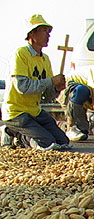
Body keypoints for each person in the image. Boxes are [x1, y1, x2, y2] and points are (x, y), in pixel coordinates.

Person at [0, 14, 69, 150]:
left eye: (48, 31)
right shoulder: (20, 54)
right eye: (44, 30)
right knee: (47, 144)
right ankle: (12, 133)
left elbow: (47, 95)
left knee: (63, 142)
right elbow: (23, 87)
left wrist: (56, 88)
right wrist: (50, 81)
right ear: (32, 33)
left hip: (34, 111)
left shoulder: (45, 59)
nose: (48, 35)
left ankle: (17, 132)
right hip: (16, 112)